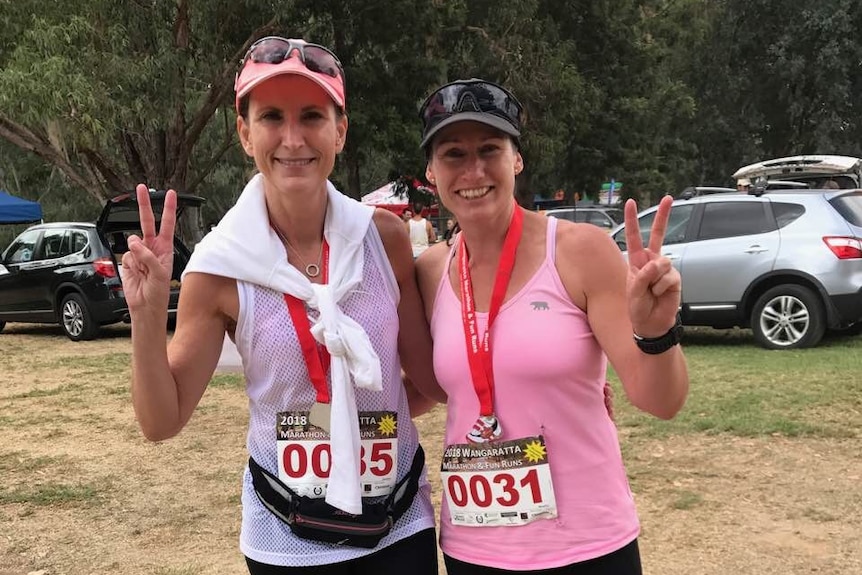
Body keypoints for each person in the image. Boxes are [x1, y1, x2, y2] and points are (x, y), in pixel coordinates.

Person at [122, 37, 443, 574]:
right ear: (245, 132)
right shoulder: (219, 268)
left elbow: (430, 381)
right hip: (285, 539)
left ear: (340, 129)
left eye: (312, 116)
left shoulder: (382, 240)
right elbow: (162, 421)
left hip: (397, 527)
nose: (293, 138)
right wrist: (147, 316)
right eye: (271, 116)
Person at [414, 78, 689, 574]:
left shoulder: (581, 251)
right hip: (473, 549)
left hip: (587, 546)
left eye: (490, 150)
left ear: (516, 159)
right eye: (454, 154)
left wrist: (655, 333)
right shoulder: (431, 271)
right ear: (431, 172)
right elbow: (422, 392)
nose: (473, 170)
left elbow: (660, 401)